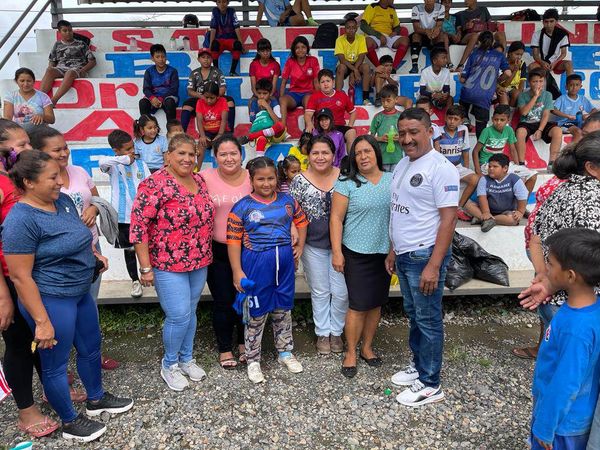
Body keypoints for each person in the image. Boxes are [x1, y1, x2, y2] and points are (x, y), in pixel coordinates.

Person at [3, 150, 133, 442]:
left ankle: (96, 398)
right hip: (51, 299)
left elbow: (78, 236)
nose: (60, 182)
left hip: (80, 291)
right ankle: (70, 422)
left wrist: (94, 255)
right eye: (52, 177)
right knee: (55, 363)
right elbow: (20, 276)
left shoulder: (61, 201)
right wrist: (41, 322)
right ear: (29, 182)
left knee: (90, 347)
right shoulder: (20, 220)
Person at [29, 127, 120, 370]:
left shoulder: (79, 171)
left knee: (89, 303)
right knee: (60, 311)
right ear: (39, 153)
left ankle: (92, 354)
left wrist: (94, 209)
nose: (64, 153)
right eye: (56, 150)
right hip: (59, 256)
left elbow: (96, 198)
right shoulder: (36, 183)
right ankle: (61, 364)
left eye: (65, 147)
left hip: (91, 247)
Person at [130, 134, 214, 391]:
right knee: (178, 315)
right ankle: (169, 364)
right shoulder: (153, 184)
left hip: (199, 259)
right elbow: (139, 228)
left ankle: (186, 359)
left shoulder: (199, 180)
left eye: (192, 154)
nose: (187, 159)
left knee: (190, 310)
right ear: (168, 156)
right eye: (181, 153)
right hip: (167, 263)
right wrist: (145, 268)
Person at [387, 107, 458, 407]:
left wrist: (434, 265)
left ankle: (430, 383)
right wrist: (393, 249)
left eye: (414, 132)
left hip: (424, 255)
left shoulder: (441, 168)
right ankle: (418, 366)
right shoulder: (404, 163)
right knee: (415, 314)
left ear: (430, 131)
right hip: (405, 253)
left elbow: (449, 220)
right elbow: (399, 208)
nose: (407, 139)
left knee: (428, 319)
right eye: (402, 133)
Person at [0, 120, 62, 439]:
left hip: (38, 275)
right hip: (11, 279)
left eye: (29, 143)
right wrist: (3, 295)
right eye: (21, 145)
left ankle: (52, 390)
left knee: (42, 338)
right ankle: (26, 410)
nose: (29, 149)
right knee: (19, 343)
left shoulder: (21, 179)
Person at [227, 156, 308, 383]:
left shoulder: (287, 201)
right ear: (251, 180)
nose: (266, 183)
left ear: (277, 178)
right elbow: (233, 241)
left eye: (271, 178)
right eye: (260, 179)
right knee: (256, 314)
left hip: (284, 266)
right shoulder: (242, 206)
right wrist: (237, 271)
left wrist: (300, 246)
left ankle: (285, 352)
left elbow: (302, 222)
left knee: (283, 309)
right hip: (256, 265)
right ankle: (253, 360)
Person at [529, 228, 600, 450]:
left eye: (550, 264)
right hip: (569, 416)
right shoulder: (590, 309)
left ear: (570, 276)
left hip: (563, 425)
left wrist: (545, 426)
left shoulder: (575, 330)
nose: (546, 268)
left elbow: (566, 383)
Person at [330, 135, 393, 379]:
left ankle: (367, 348)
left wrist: (394, 250)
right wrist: (337, 252)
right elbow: (336, 219)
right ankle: (350, 352)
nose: (363, 156)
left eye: (367, 151)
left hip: (384, 252)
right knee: (357, 305)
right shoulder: (346, 182)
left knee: (376, 303)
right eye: (358, 153)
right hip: (355, 252)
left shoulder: (392, 180)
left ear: (376, 152)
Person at [290, 135, 347, 355]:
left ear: (333, 155)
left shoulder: (344, 177)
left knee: (341, 292)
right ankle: (323, 332)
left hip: (341, 245)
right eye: (315, 153)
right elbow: (291, 211)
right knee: (320, 291)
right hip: (312, 244)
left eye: (325, 152)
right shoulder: (299, 180)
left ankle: (337, 331)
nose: (320, 157)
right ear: (308, 155)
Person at [201, 136, 252, 369]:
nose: (229, 158)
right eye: (223, 154)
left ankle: (244, 343)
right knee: (223, 300)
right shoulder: (204, 178)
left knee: (246, 298)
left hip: (249, 250)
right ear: (215, 157)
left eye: (233, 153)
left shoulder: (252, 176)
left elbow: (274, 200)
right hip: (217, 250)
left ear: (241, 155)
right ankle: (224, 347)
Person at [99, 130, 150, 299]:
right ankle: (135, 281)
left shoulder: (142, 164)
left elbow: (150, 187)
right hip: (123, 216)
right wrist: (124, 159)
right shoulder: (112, 165)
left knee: (148, 246)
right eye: (127, 149)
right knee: (129, 250)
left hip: (143, 215)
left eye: (132, 147)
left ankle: (150, 275)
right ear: (116, 150)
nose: (132, 151)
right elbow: (102, 162)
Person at [473, 104, 538, 195]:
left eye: (502, 120)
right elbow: (475, 151)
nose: (498, 122)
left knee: (532, 175)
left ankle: (522, 202)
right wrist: (478, 171)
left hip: (502, 163)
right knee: (505, 175)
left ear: (508, 120)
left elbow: (513, 150)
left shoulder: (509, 130)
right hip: (487, 164)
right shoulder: (487, 131)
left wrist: (518, 166)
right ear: (492, 119)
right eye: (496, 119)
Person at [459, 31, 511, 138]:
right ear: (493, 42)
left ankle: (465, 118)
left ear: (479, 42)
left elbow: (463, 79)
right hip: (484, 96)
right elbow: (508, 73)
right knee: (481, 132)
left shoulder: (474, 54)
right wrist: (496, 81)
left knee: (463, 102)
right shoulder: (499, 55)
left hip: (468, 93)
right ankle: (480, 146)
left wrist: (460, 77)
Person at [433, 104, 478, 215]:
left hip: (458, 167)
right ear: (445, 118)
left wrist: (466, 169)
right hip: (443, 168)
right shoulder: (438, 131)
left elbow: (465, 151)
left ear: (461, 121)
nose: (452, 122)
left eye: (456, 119)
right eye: (450, 118)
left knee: (475, 179)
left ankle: (459, 207)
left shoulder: (463, 130)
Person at [464, 153, 528, 232]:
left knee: (513, 220)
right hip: (487, 210)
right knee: (468, 205)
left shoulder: (514, 179)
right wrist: (486, 212)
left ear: (505, 168)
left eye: (495, 166)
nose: (491, 169)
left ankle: (485, 220)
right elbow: (482, 197)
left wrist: (520, 212)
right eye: (489, 166)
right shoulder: (484, 179)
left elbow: (522, 197)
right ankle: (485, 218)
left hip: (506, 211)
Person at [39, 20, 96, 105]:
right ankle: (38, 99)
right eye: (65, 31)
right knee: (49, 70)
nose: (68, 33)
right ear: (59, 32)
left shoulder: (81, 44)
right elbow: (52, 61)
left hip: (77, 69)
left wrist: (83, 70)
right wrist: (50, 69)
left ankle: (53, 101)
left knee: (70, 72)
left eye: (70, 30)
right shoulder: (57, 44)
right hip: (61, 68)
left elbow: (93, 61)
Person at [516, 68, 562, 169]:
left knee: (557, 131)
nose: (538, 84)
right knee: (520, 132)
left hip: (541, 123)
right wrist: (535, 96)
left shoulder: (547, 95)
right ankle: (521, 164)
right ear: (529, 82)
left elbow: (546, 115)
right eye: (535, 81)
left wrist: (540, 130)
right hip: (527, 123)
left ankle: (552, 163)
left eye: (541, 81)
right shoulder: (522, 95)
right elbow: (524, 112)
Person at [181, 48, 235, 133]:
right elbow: (190, 91)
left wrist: (214, 97)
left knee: (230, 102)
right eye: (203, 57)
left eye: (208, 57)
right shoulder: (194, 73)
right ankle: (182, 134)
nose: (206, 59)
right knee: (186, 106)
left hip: (215, 98)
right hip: (200, 98)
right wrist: (202, 97)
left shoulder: (217, 71)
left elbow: (223, 88)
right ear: (198, 59)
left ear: (212, 59)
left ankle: (230, 132)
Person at [305, 69, 356, 151]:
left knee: (351, 132)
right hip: (322, 127)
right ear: (319, 84)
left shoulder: (342, 96)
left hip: (339, 126)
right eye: (322, 82)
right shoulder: (314, 97)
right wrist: (309, 124)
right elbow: (308, 114)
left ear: (333, 82)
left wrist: (350, 125)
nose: (325, 84)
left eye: (328, 81)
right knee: (307, 136)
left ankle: (351, 158)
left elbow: (353, 112)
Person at [452, 0, 506, 73]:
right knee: (475, 36)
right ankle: (460, 65)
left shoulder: (483, 9)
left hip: (484, 34)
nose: (466, 1)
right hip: (468, 35)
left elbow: (489, 23)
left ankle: (503, 62)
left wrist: (495, 24)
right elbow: (459, 30)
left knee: (501, 34)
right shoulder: (461, 14)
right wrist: (466, 26)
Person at [237, 78, 286, 155]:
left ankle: (249, 137)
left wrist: (267, 107)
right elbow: (254, 123)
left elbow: (278, 122)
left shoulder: (274, 102)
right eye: (259, 93)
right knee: (262, 139)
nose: (262, 96)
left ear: (270, 94)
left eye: (265, 93)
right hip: (260, 133)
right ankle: (259, 157)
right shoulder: (253, 103)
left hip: (274, 133)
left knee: (281, 125)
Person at [279, 36, 320, 126]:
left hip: (308, 93)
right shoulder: (290, 62)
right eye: (297, 47)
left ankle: (308, 130)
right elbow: (283, 82)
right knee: (283, 100)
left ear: (307, 48)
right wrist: (281, 98)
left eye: (303, 47)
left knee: (308, 101)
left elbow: (316, 81)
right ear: (294, 50)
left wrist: (319, 98)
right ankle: (283, 128)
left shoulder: (313, 60)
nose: (300, 50)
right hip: (294, 94)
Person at [360, 0, 410, 70]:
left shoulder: (392, 9)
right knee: (367, 42)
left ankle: (393, 68)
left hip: (389, 36)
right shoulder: (372, 7)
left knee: (405, 40)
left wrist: (395, 32)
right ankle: (379, 67)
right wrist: (379, 35)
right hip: (375, 36)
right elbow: (363, 25)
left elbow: (397, 26)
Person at [552, 73, 598, 143]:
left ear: (580, 86)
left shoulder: (582, 99)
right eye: (571, 85)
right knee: (578, 131)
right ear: (566, 87)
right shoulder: (562, 99)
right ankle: (573, 149)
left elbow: (594, 110)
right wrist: (567, 116)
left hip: (580, 123)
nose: (574, 87)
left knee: (593, 129)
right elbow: (552, 109)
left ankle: (590, 148)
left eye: (577, 85)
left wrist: (588, 115)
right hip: (565, 124)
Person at [529, 8, 573, 79]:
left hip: (556, 62)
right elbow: (535, 55)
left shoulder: (562, 34)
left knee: (568, 64)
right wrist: (542, 62)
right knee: (531, 66)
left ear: (556, 22)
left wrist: (555, 63)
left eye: (551, 21)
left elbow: (563, 53)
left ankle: (571, 84)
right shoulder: (537, 34)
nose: (549, 24)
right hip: (541, 62)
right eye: (546, 22)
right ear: (543, 22)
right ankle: (535, 86)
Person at [334, 17, 370, 103]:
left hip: (358, 64)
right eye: (348, 28)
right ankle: (337, 98)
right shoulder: (339, 40)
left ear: (356, 28)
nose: (351, 30)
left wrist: (355, 70)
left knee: (366, 67)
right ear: (345, 29)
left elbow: (361, 56)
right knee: (341, 68)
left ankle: (366, 98)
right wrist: (355, 71)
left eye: (353, 27)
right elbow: (342, 59)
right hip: (345, 65)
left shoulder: (361, 38)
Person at [139, 44, 179, 121]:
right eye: (157, 57)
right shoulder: (149, 71)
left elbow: (174, 89)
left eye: (163, 56)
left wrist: (161, 98)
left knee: (169, 102)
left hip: (168, 97)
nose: (161, 59)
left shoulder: (173, 71)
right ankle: (146, 126)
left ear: (166, 57)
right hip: (154, 98)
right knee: (143, 102)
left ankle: (172, 126)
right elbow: (146, 89)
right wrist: (152, 98)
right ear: (152, 58)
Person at [369, 85, 403, 172]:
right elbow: (370, 138)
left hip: (398, 158)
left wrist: (400, 138)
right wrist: (380, 138)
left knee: (396, 179)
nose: (385, 104)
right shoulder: (378, 117)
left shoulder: (401, 116)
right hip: (383, 158)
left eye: (388, 100)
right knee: (384, 179)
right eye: (383, 101)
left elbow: (407, 136)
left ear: (396, 99)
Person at [409, 0, 447, 74]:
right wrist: (427, 32)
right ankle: (414, 66)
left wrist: (433, 35)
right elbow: (416, 29)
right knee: (415, 36)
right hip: (422, 33)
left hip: (433, 34)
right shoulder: (416, 8)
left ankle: (441, 65)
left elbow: (438, 26)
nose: (429, 0)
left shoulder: (440, 7)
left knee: (441, 35)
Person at [208, 0, 244, 75]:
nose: (222, 4)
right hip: (219, 40)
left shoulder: (232, 11)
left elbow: (237, 27)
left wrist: (242, 44)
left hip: (231, 40)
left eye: (224, 2)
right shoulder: (215, 11)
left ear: (228, 2)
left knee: (238, 45)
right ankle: (216, 71)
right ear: (216, 3)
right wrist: (211, 44)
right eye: (219, 2)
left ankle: (232, 71)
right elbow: (213, 28)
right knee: (214, 45)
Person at [196, 81, 229, 155]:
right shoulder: (200, 102)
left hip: (221, 131)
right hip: (207, 132)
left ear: (217, 96)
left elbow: (224, 120)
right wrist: (203, 136)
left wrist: (220, 134)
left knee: (223, 145)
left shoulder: (223, 101)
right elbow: (199, 121)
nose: (209, 100)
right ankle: (198, 163)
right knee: (202, 143)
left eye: (212, 98)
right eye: (206, 97)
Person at [496, 41, 527, 107]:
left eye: (521, 55)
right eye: (517, 54)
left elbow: (522, 82)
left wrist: (520, 94)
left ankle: (511, 110)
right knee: (504, 95)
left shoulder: (522, 64)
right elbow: (505, 84)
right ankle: (507, 110)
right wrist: (515, 70)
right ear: (510, 53)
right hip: (502, 87)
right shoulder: (503, 63)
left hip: (514, 89)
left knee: (517, 93)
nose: (519, 57)